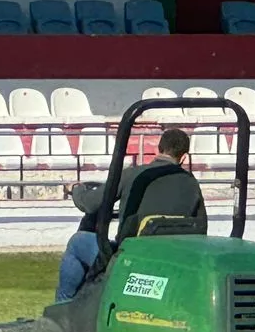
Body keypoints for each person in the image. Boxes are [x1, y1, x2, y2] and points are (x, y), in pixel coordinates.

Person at [54, 126, 206, 302]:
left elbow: (90, 203)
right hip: (171, 260)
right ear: (184, 157)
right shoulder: (191, 184)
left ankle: (62, 307)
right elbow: (201, 227)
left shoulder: (133, 175)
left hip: (130, 259)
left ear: (159, 149)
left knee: (77, 242)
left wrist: (77, 190)